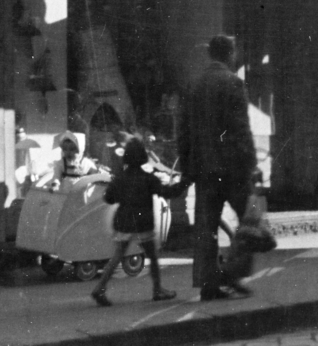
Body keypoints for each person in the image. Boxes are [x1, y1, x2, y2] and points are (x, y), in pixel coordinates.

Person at [177, 34, 256, 301]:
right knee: (250, 221)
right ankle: (233, 273)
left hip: (204, 169)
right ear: (230, 54)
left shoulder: (194, 85)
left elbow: (183, 131)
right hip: (232, 168)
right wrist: (251, 164)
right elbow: (240, 129)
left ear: (211, 54)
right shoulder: (233, 83)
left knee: (206, 228)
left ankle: (208, 284)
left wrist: (187, 167)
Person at [89, 136, 183, 306]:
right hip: (143, 222)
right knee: (152, 256)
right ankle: (157, 289)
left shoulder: (119, 178)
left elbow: (109, 198)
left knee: (117, 257)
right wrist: (184, 184)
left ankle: (100, 287)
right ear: (143, 157)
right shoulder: (149, 179)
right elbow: (168, 192)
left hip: (123, 221)